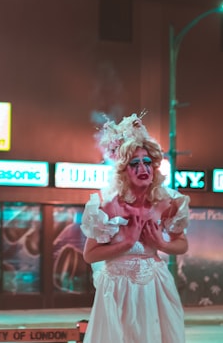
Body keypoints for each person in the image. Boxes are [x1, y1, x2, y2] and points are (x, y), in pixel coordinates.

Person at [81, 112, 189, 343]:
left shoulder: (167, 203)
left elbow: (182, 244)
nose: (143, 168)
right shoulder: (109, 207)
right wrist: (127, 243)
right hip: (118, 287)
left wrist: (161, 244)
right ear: (124, 171)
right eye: (135, 163)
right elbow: (90, 255)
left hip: (155, 285)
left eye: (147, 162)